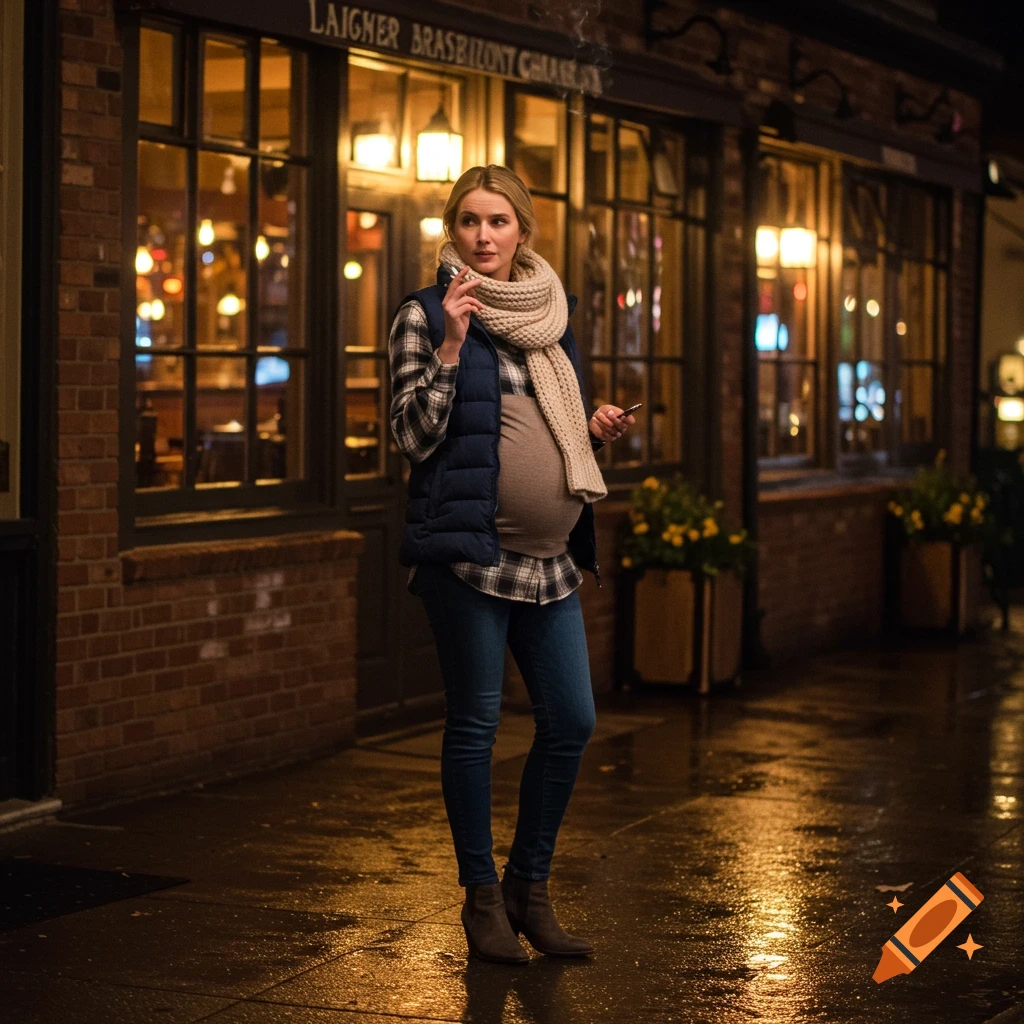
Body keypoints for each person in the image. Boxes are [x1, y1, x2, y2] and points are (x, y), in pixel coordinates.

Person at [388, 165, 635, 964]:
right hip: (470, 558)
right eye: (469, 221)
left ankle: (530, 887)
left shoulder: (549, 315)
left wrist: (590, 426)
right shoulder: (424, 313)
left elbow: (546, 421)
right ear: (451, 230)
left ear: (522, 230)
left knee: (572, 720)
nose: (483, 236)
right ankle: (482, 898)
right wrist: (452, 346)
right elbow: (412, 437)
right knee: (476, 726)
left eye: (498, 221)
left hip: (549, 563)